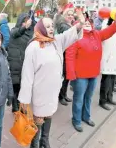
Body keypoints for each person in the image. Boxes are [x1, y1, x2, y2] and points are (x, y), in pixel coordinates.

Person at [18, 12, 85, 148]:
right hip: (39, 93)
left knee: (48, 114)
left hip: (52, 92)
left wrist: (81, 23)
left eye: (52, 26)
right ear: (41, 28)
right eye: (47, 26)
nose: (50, 29)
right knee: (38, 119)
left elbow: (70, 34)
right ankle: (35, 144)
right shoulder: (33, 47)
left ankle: (45, 140)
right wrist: (24, 100)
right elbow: (27, 75)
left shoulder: (56, 42)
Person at [66, 15, 116, 132]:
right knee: (79, 98)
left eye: (88, 22)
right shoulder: (75, 37)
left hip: (93, 74)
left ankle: (86, 116)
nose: (87, 24)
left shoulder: (96, 34)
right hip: (80, 75)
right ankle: (76, 120)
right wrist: (71, 75)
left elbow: (108, 31)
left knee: (88, 97)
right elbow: (70, 57)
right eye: (84, 23)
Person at [7, 12, 36, 112]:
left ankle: (19, 105)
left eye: (27, 21)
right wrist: (24, 27)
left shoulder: (30, 33)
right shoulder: (15, 31)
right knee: (16, 85)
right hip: (15, 62)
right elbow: (18, 32)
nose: (26, 23)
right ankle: (15, 106)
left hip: (25, 63)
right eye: (24, 21)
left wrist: (33, 15)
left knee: (23, 85)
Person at [54, 5, 75, 106]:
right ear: (65, 16)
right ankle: (60, 96)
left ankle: (64, 94)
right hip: (63, 54)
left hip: (69, 54)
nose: (70, 16)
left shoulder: (70, 25)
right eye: (68, 15)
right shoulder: (63, 25)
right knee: (63, 75)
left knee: (67, 75)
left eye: (72, 15)